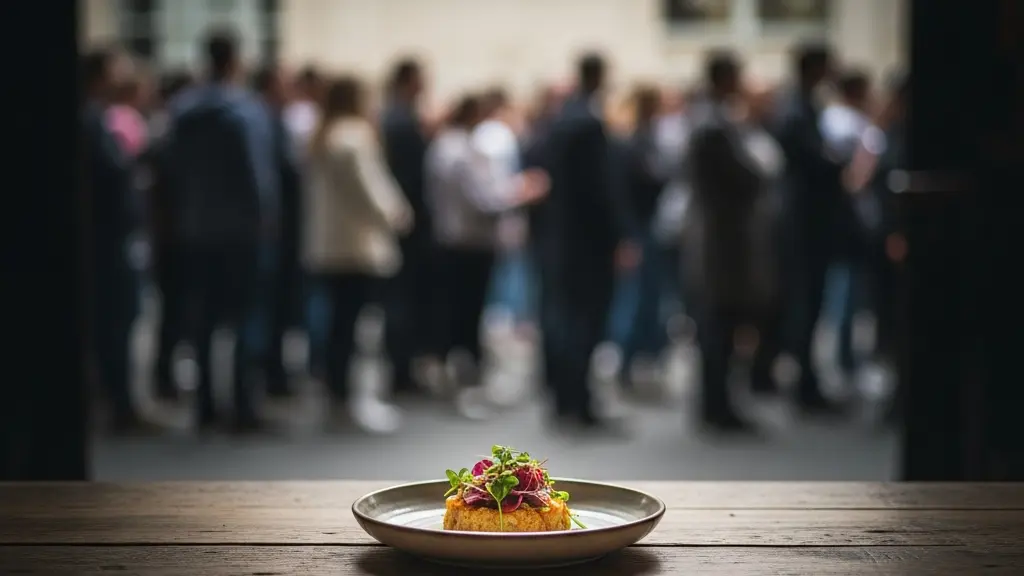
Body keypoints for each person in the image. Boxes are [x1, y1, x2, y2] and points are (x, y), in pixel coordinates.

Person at [164, 28, 277, 432]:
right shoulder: (245, 110)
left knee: (203, 318)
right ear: (235, 60)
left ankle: (206, 405)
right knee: (246, 317)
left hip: (196, 227)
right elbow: (257, 174)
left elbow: (170, 170)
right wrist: (267, 220)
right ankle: (244, 405)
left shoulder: (182, 110)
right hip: (242, 230)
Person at [426, 94, 549, 419]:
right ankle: (466, 383)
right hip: (470, 243)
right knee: (466, 316)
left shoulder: (442, 147)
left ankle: (456, 376)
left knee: (454, 313)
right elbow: (485, 200)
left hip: (450, 239)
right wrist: (522, 191)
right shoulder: (464, 152)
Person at [305, 76, 413, 432]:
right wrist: (395, 214)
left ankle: (336, 395)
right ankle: (349, 399)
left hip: (332, 245)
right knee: (354, 327)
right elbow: (370, 188)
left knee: (338, 325)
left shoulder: (325, 135)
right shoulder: (353, 137)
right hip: (356, 246)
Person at [684, 51, 781, 434]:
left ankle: (718, 404)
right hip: (720, 243)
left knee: (720, 327)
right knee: (718, 327)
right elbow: (747, 176)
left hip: (720, 239)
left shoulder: (713, 120)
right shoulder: (713, 125)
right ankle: (717, 406)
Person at [543, 52, 639, 429]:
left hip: (562, 237)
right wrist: (620, 235)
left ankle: (565, 399)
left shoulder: (562, 118)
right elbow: (602, 191)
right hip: (588, 243)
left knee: (567, 319)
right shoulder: (588, 123)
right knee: (586, 323)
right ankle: (579, 403)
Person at [772, 42, 846, 415]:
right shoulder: (796, 110)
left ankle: (806, 381)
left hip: (806, 219)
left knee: (808, 303)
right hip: (805, 221)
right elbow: (814, 162)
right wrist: (838, 162)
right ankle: (804, 385)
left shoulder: (800, 106)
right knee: (804, 303)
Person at [81, 48, 146, 433]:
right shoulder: (92, 120)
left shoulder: (97, 118)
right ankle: (118, 404)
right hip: (109, 240)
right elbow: (113, 176)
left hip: (109, 237)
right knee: (116, 323)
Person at [380, 58, 434, 394]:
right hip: (408, 223)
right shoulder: (401, 121)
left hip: (407, 220)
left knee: (403, 299)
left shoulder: (395, 117)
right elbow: (409, 178)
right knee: (402, 299)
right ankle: (401, 369)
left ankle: (403, 366)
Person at [820, 69, 876, 377]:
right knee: (845, 293)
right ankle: (844, 361)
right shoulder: (841, 123)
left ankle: (848, 359)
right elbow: (851, 174)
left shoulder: (845, 120)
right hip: (846, 220)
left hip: (855, 218)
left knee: (851, 294)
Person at [253, 64, 303, 398]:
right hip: (273, 230)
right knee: (267, 309)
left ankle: (272, 372)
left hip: (274, 229)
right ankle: (267, 374)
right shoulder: (265, 122)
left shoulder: (272, 121)